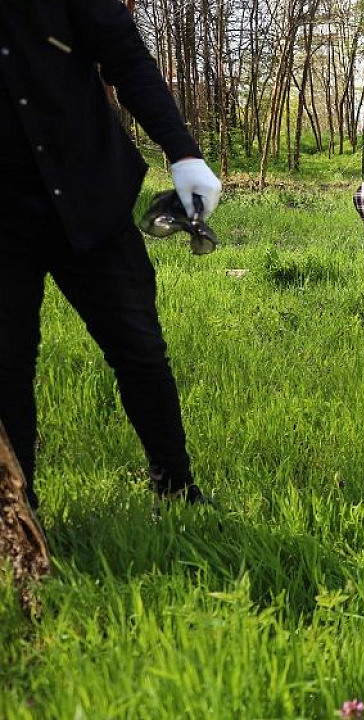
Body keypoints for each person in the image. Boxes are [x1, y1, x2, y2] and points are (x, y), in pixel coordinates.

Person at [0, 1, 222, 509]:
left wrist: (183, 152)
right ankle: (18, 514)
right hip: (4, 219)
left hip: (90, 197)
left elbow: (126, 56)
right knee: (7, 366)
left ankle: (176, 487)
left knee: (139, 348)